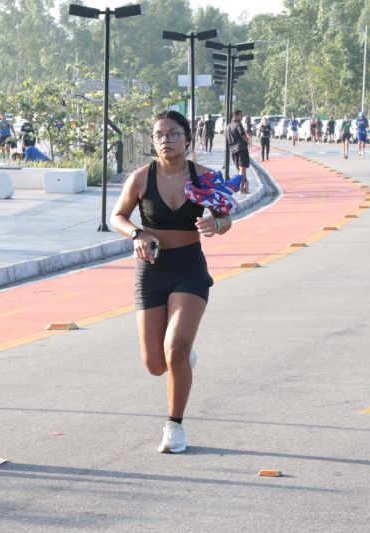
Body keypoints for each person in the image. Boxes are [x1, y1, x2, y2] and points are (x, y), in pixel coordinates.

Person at [110, 110, 233, 454]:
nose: (166, 140)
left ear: (188, 138)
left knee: (175, 346)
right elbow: (116, 216)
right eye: (160, 135)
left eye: (173, 134)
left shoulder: (206, 177)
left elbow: (226, 217)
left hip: (189, 268)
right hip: (151, 269)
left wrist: (215, 226)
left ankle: (174, 426)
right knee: (155, 364)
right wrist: (135, 233)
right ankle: (180, 357)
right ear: (154, 141)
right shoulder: (140, 178)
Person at [225, 110, 251, 193]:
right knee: (243, 170)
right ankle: (242, 189)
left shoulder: (227, 127)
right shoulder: (238, 124)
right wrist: (248, 141)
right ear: (235, 116)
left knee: (240, 169)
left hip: (233, 150)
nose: (242, 117)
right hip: (241, 149)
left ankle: (245, 185)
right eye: (240, 115)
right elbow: (243, 134)